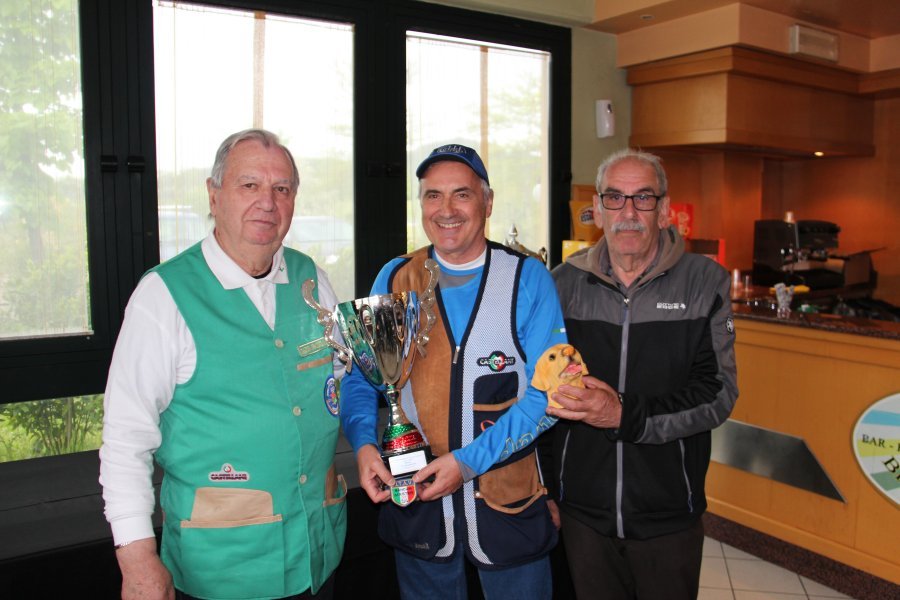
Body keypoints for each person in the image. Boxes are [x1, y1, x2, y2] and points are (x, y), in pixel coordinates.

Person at [99, 129, 347, 600]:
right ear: (213, 196)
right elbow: (125, 439)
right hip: (222, 570)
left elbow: (340, 381)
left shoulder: (311, 280)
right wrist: (137, 560)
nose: (267, 203)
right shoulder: (164, 295)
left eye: (281, 188)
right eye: (249, 185)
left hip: (316, 553)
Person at [340, 144, 565, 600]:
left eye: (462, 194)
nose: (446, 210)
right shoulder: (396, 278)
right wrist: (363, 444)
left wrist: (467, 463)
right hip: (419, 506)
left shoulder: (527, 278)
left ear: (487, 202)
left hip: (509, 507)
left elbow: (549, 396)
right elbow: (363, 376)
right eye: (432, 195)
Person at [544, 149, 738, 600]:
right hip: (582, 514)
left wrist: (623, 415)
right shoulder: (562, 284)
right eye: (615, 197)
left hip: (668, 514)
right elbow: (543, 397)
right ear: (598, 209)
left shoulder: (704, 282)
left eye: (643, 198)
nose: (628, 212)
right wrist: (547, 487)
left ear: (664, 210)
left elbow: (718, 393)